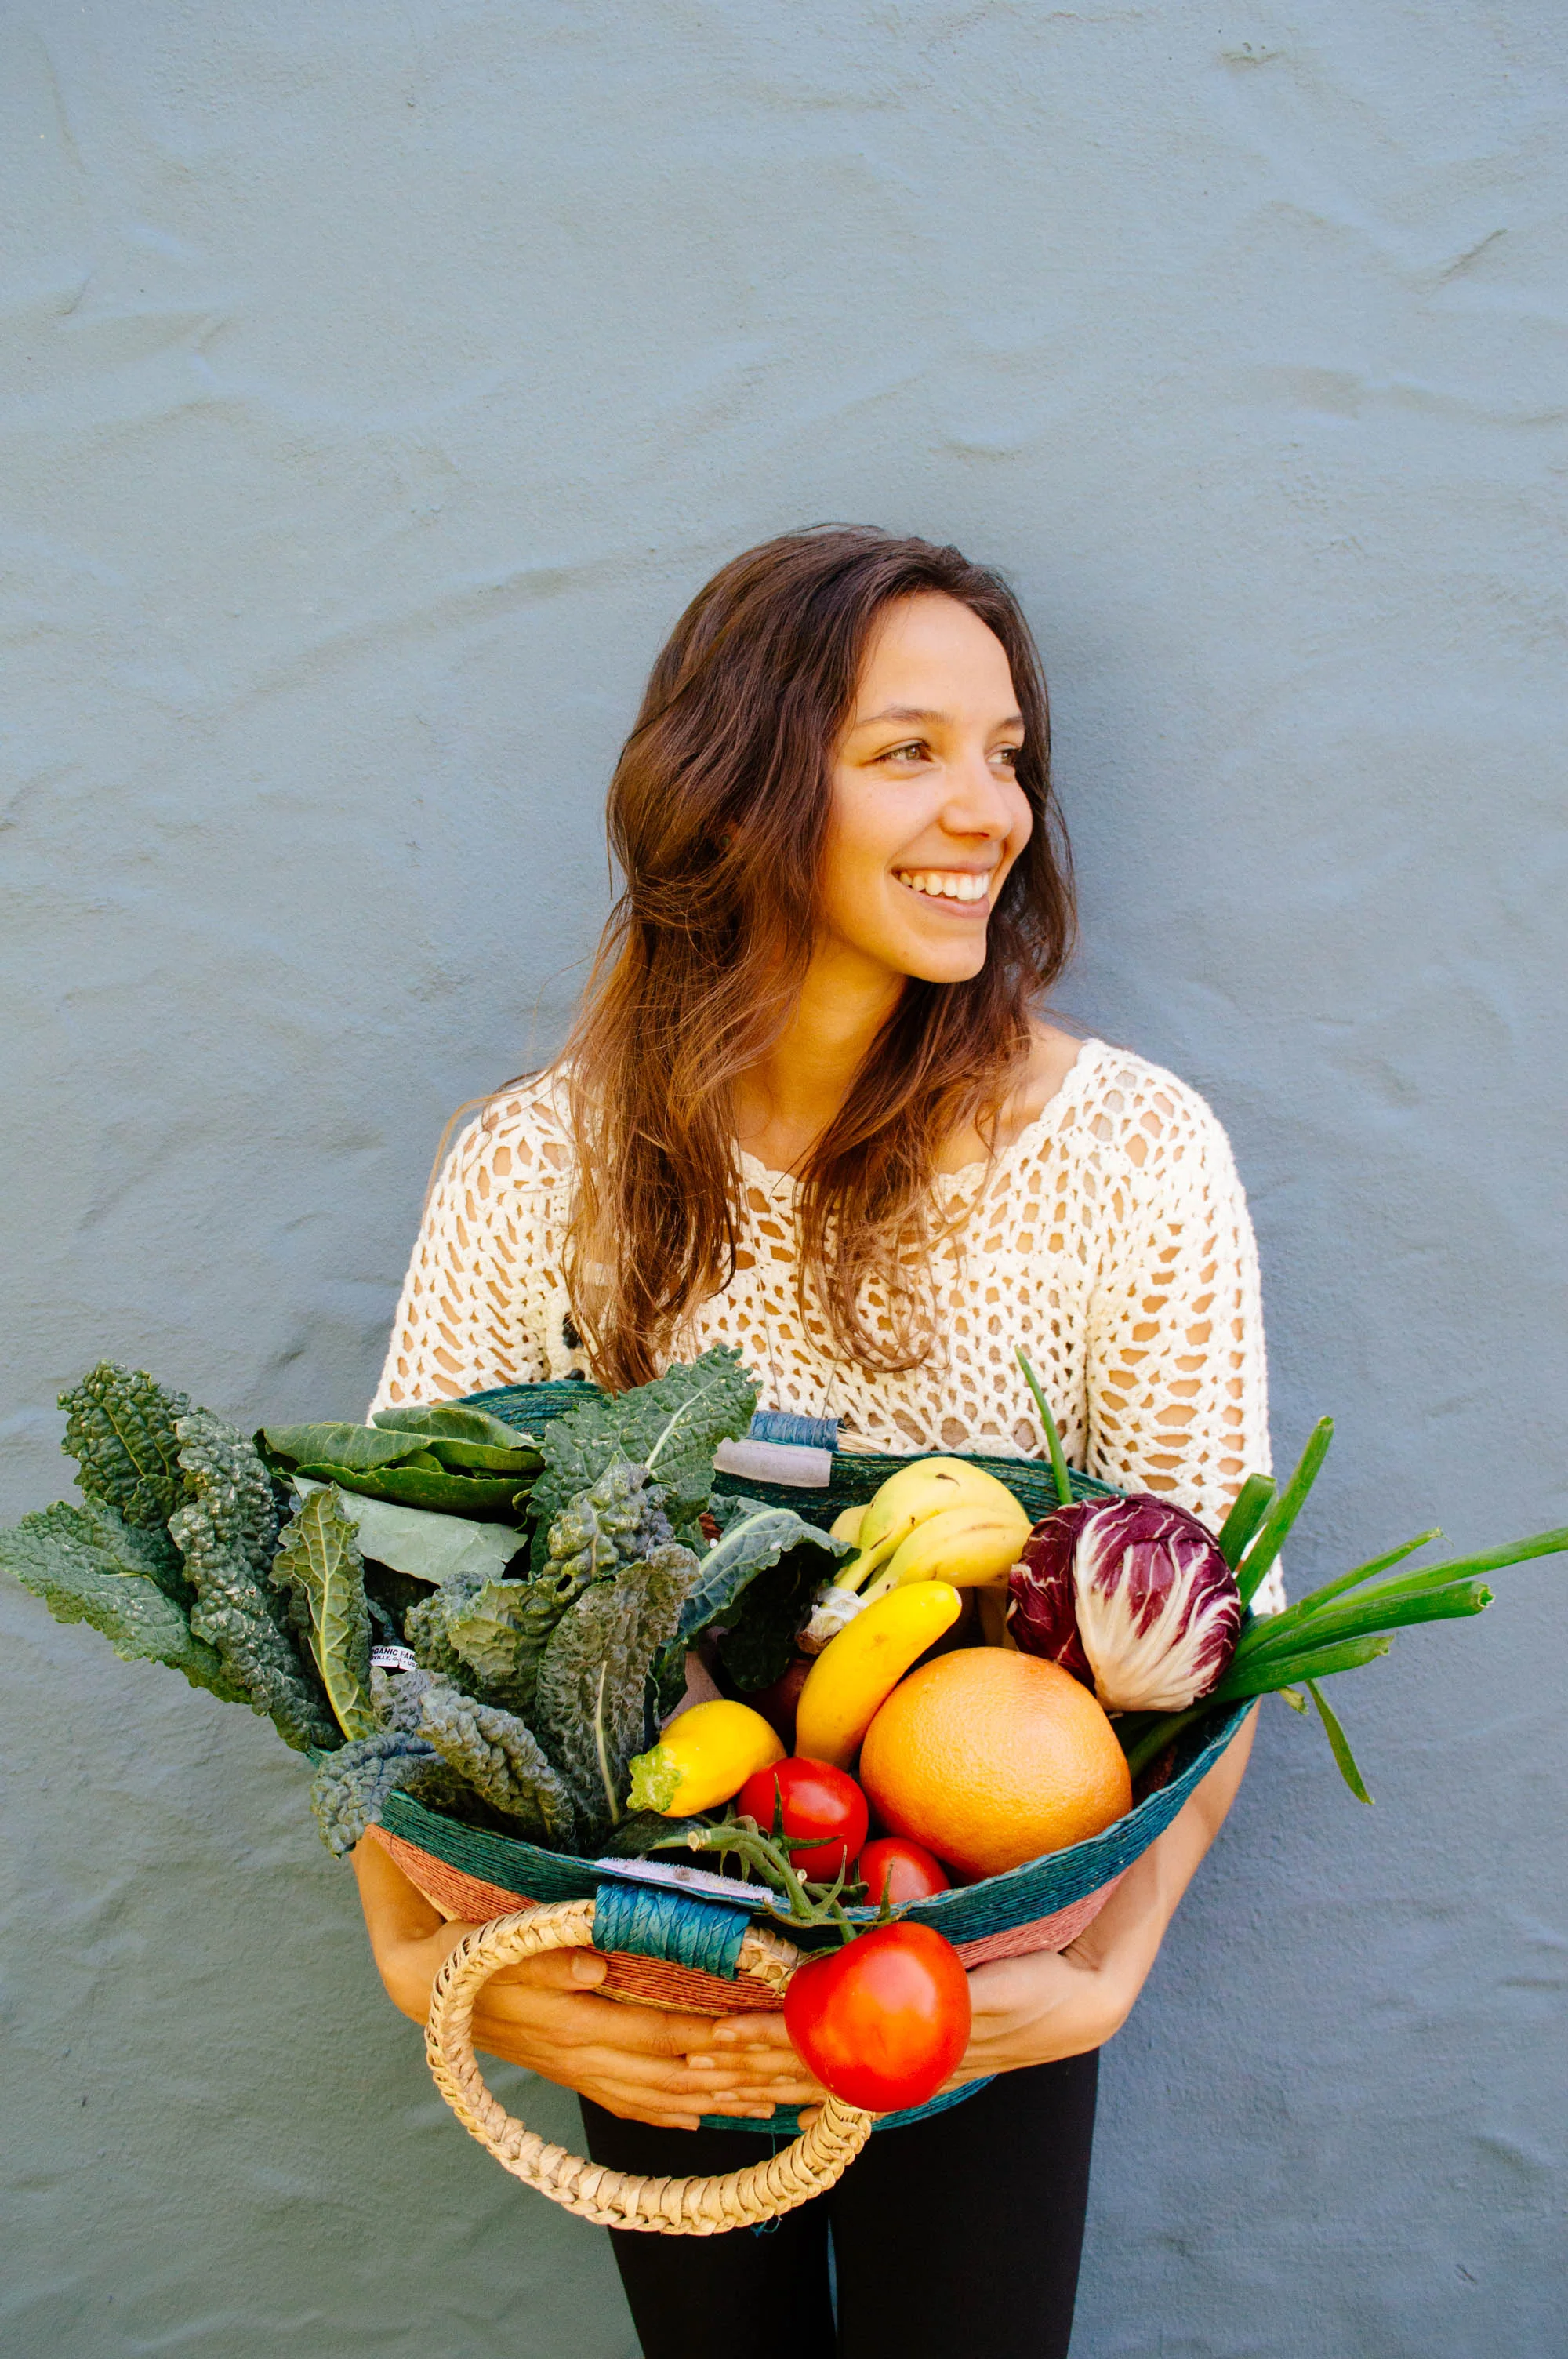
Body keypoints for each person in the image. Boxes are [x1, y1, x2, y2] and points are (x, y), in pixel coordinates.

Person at [352, 526, 1276, 2359]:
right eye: (909, 748)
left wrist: (1112, 1961)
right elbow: (377, 1599)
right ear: (744, 786)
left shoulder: (1128, 1161)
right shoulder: (534, 1169)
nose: (989, 809)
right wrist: (427, 1962)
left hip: (985, 1953)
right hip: (658, 1943)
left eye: (1007, 753)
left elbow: (1228, 1624)